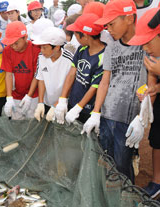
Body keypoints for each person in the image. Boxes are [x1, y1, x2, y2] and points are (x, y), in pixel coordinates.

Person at [82, 0, 148, 183]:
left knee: (123, 164)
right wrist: (96, 112)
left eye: (111, 24)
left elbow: (151, 84)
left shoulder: (146, 45)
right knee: (107, 162)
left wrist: (142, 118)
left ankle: (127, 200)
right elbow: (105, 81)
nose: (108, 29)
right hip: (107, 114)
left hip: (128, 119)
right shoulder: (111, 47)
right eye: (106, 25)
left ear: (129, 18)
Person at [127, 7, 160, 198]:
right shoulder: (151, 56)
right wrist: (142, 116)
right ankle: (157, 181)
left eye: (147, 42)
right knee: (156, 137)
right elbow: (152, 84)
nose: (145, 48)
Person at [52, 13, 105, 125]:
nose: (74, 37)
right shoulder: (82, 49)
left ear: (85, 36)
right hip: (73, 101)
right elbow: (72, 73)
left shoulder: (103, 57)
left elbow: (94, 87)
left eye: (76, 34)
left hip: (88, 108)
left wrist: (79, 107)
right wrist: (62, 99)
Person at [1, 21, 40, 120]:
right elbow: (8, 74)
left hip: (33, 94)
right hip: (16, 95)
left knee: (32, 122)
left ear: (25, 37)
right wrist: (9, 97)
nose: (13, 46)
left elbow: (37, 75)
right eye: (11, 44)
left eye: (16, 43)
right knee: (17, 124)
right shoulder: (7, 51)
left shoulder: (35, 49)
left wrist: (29, 96)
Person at [32, 27, 73, 121]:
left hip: (63, 103)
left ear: (57, 47)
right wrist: (40, 102)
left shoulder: (69, 60)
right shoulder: (41, 57)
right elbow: (41, 79)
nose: (41, 50)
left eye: (44, 47)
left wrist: (57, 105)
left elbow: (70, 85)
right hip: (47, 101)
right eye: (41, 47)